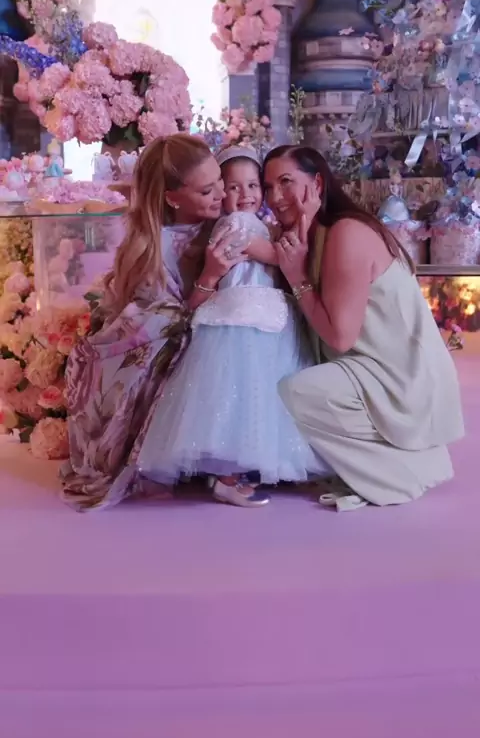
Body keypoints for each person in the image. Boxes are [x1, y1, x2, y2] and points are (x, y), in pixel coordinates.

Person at [262, 144, 464, 511]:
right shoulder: (310, 235)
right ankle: (398, 457)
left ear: (317, 184)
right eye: (268, 187)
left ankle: (403, 473)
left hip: (401, 375)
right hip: (369, 367)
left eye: (286, 182)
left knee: (296, 391)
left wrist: (297, 277)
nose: (275, 197)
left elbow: (340, 337)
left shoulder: (346, 233)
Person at [136, 145, 332, 507]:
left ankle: (245, 469)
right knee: (238, 397)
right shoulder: (236, 225)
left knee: (255, 397)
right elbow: (281, 257)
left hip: (261, 314)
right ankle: (227, 476)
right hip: (241, 315)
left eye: (254, 186)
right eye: (233, 187)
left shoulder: (258, 225)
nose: (246, 195)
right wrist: (306, 218)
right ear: (221, 192)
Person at [61, 134, 248, 510]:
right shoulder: (153, 247)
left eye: (220, 182)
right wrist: (209, 277)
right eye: (207, 191)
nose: (221, 195)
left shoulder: (225, 222)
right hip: (165, 345)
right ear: (172, 198)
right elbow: (171, 325)